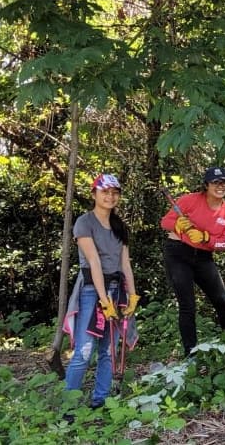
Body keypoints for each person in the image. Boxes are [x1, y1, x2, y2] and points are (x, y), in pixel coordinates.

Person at [63, 174, 138, 410]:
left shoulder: (120, 226)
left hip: (117, 290)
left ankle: (101, 400)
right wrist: (104, 301)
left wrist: (133, 296)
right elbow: (94, 262)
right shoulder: (85, 223)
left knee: (109, 350)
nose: (110, 196)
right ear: (94, 193)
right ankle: (69, 406)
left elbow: (125, 264)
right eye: (105, 192)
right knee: (84, 351)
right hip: (91, 291)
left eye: (115, 192)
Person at [159, 166, 225, 356]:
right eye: (216, 183)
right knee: (187, 305)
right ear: (206, 185)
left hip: (203, 257)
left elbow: (224, 243)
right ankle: (190, 354)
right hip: (178, 253)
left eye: (224, 183)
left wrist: (205, 237)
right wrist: (178, 225)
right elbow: (165, 222)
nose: (220, 186)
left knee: (222, 301)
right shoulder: (189, 200)